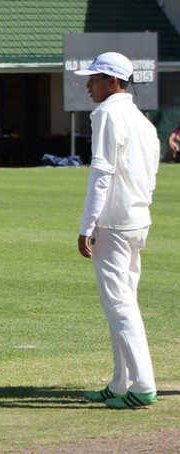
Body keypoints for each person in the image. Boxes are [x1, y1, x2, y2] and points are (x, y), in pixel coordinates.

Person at [75, 52, 159, 409]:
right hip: (138, 221)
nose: (88, 84)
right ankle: (121, 380)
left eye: (94, 78)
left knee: (120, 305)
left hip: (115, 223)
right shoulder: (144, 122)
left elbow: (102, 172)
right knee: (123, 304)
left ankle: (142, 384)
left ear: (113, 82)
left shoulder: (108, 114)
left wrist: (86, 225)